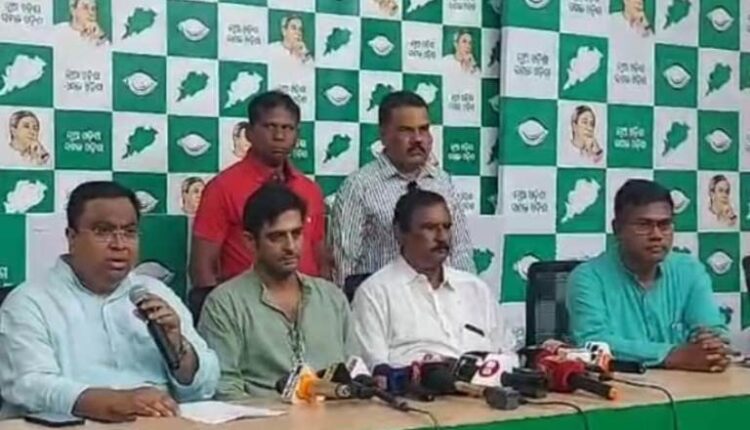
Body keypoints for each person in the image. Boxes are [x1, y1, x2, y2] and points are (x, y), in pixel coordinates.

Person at [0, 181, 218, 421]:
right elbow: (29, 385)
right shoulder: (30, 301)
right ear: (72, 237)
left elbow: (206, 387)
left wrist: (179, 349)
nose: (119, 245)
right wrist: (113, 402)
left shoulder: (155, 292)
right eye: (103, 231)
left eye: (129, 232)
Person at [198, 183, 350, 399]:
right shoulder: (224, 304)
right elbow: (225, 390)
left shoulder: (332, 298)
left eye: (296, 234)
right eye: (277, 237)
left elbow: (355, 370)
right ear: (250, 242)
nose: (290, 246)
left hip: (338, 414)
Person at [566, 179, 730, 371]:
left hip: (688, 383)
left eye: (664, 225)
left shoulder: (689, 269)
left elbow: (713, 330)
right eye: (644, 225)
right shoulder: (587, 278)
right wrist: (670, 355)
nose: (657, 235)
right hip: (621, 384)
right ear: (617, 229)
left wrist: (712, 346)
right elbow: (593, 343)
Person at [349, 185, 511, 368]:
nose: (442, 237)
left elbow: (508, 356)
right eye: (430, 228)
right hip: (415, 385)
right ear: (400, 233)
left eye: (446, 227)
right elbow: (375, 368)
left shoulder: (476, 289)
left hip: (483, 383)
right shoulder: (375, 293)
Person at [330, 91, 475, 287]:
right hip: (382, 301)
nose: (418, 139)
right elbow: (343, 265)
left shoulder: (442, 182)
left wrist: (467, 295)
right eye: (406, 130)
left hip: (441, 300)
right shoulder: (358, 187)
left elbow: (461, 251)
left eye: (423, 129)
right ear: (383, 135)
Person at [190, 91, 329, 288]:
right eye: (270, 126)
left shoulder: (310, 190)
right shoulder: (222, 188)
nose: (279, 136)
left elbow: (321, 259)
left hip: (308, 302)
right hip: (244, 304)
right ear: (249, 132)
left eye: (287, 128)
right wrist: (218, 306)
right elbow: (202, 267)